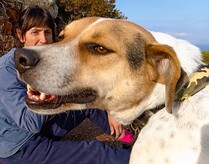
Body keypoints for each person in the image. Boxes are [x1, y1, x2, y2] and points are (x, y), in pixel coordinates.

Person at [0, 5, 132, 164]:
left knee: (89, 105)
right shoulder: (5, 71)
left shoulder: (44, 60)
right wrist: (43, 86)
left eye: (47, 32)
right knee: (95, 151)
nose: (43, 39)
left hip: (44, 124)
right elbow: (31, 123)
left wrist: (109, 110)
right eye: (35, 32)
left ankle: (128, 139)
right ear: (21, 36)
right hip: (21, 145)